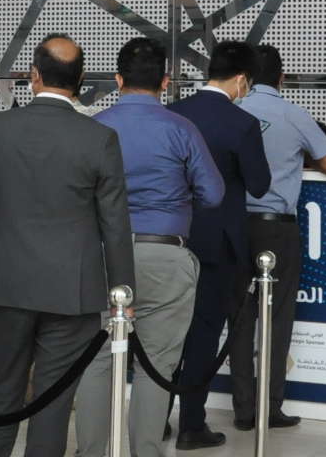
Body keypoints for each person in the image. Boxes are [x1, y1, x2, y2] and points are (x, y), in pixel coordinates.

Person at [0, 34, 133, 457]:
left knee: (4, 387)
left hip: (11, 280)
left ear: (34, 76)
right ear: (82, 79)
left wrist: (14, 214)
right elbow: (114, 223)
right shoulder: (99, 137)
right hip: (73, 289)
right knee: (52, 399)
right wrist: (123, 292)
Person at [71, 38, 225, 457]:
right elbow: (213, 194)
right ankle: (146, 452)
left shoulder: (93, 126)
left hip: (100, 254)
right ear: (166, 81)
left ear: (117, 80)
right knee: (157, 364)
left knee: (96, 360)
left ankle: (90, 452)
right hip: (165, 253)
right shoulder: (181, 128)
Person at [165, 40, 272, 450]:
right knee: (205, 331)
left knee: (163, 330)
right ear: (243, 80)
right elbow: (260, 185)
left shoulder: (174, 113)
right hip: (218, 243)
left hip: (172, 235)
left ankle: (154, 417)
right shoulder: (241, 123)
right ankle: (193, 424)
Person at [232, 44, 326, 432]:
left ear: (243, 77)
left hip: (233, 227)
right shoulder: (292, 114)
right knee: (277, 319)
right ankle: (269, 407)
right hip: (275, 228)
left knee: (240, 318)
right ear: (281, 78)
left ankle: (243, 410)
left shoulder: (233, 110)